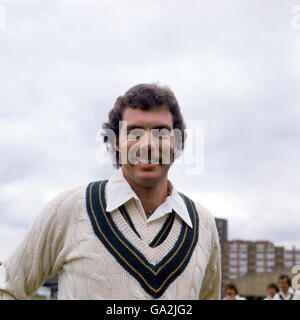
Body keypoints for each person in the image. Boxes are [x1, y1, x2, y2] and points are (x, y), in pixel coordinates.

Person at [0, 83, 221, 300]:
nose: (148, 145)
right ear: (116, 142)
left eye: (161, 132)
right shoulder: (68, 209)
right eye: (135, 132)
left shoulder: (203, 224)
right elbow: (7, 287)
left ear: (176, 141)